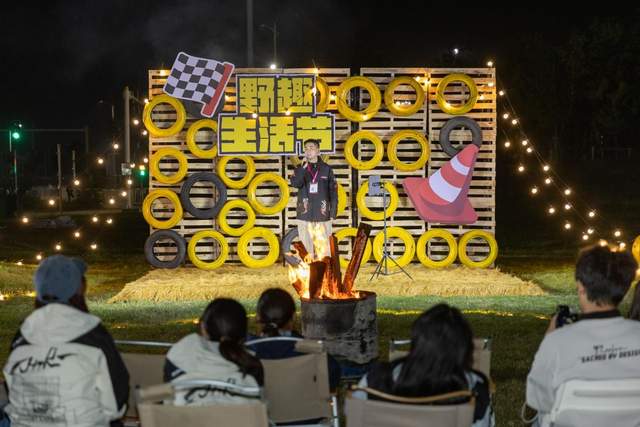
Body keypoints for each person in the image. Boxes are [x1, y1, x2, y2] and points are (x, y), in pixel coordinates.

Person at [1, 255, 129, 427]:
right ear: (78, 290)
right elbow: (116, 400)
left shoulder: (22, 335)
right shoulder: (94, 334)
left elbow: (12, 390)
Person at [526, 244, 639, 423]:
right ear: (624, 290)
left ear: (580, 286)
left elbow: (537, 399)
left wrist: (550, 338)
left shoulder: (558, 341)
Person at [353, 304, 494, 427]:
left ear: (417, 343)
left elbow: (356, 420)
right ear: (464, 350)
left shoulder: (374, 381)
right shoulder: (475, 390)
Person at [164, 298, 264, 406]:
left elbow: (167, 403)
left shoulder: (178, 357)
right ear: (244, 334)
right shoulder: (252, 366)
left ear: (203, 328)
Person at [247, 288, 341, 391]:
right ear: (293, 317)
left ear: (258, 317)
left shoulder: (247, 351)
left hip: (260, 401)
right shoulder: (312, 351)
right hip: (305, 401)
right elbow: (333, 376)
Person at [290, 139, 337, 260]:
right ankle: (308, 271)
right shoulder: (300, 168)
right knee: (306, 251)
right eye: (306, 148)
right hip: (304, 215)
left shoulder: (327, 169)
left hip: (323, 214)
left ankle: (326, 271)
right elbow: (295, 183)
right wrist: (302, 168)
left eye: (311, 148)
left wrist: (332, 213)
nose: (308, 151)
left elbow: (333, 192)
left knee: (324, 250)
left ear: (318, 151)